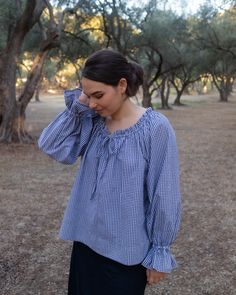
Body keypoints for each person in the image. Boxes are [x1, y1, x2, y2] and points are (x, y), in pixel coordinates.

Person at [38, 49, 181, 295]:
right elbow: (51, 145)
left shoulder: (155, 128)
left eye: (98, 95)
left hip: (125, 255)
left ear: (122, 85)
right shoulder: (92, 121)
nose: (92, 102)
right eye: (87, 94)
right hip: (85, 247)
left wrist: (160, 250)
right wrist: (80, 105)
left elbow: (164, 194)